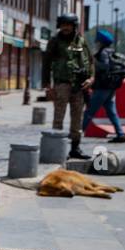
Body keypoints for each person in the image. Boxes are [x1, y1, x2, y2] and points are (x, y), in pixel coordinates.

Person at [42, 13, 94, 159]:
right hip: (61, 85)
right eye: (63, 24)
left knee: (77, 118)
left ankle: (75, 148)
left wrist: (91, 78)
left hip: (79, 86)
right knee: (59, 117)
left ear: (74, 26)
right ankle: (57, 148)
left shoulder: (82, 41)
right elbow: (46, 64)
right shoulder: (54, 41)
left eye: (69, 25)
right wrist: (47, 85)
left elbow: (90, 62)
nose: (66, 27)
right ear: (60, 25)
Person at [81, 29, 125, 142]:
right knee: (112, 112)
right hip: (110, 88)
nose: (96, 43)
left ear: (100, 41)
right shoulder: (111, 52)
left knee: (89, 111)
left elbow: (104, 66)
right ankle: (120, 134)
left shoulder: (103, 53)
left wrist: (93, 63)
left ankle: (78, 133)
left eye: (97, 41)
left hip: (102, 88)